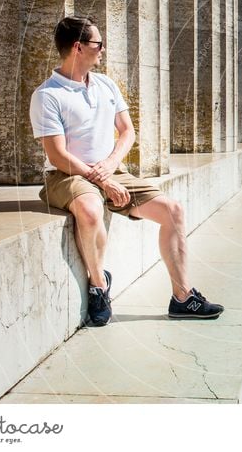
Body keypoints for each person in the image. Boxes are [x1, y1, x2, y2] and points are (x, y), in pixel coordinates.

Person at [29, 16, 223, 325]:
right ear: (78, 47)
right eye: (98, 44)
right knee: (91, 213)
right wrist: (102, 181)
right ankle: (98, 286)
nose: (103, 49)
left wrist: (109, 167)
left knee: (172, 211)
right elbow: (58, 154)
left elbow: (127, 131)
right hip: (67, 176)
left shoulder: (105, 84)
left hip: (110, 170)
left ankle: (183, 298)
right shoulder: (48, 95)